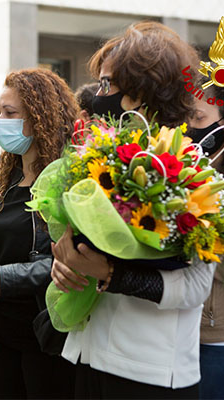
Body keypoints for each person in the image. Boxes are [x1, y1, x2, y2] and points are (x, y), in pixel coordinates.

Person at [51, 21, 215, 398]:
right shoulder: (100, 159)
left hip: (149, 370)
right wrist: (65, 257)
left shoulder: (192, 169)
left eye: (108, 84)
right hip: (88, 351)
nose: (99, 95)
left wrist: (111, 272)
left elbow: (195, 288)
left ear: (141, 92)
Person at [0, 68, 78, 399]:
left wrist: (7, 279)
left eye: (10, 113)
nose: (1, 120)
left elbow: (71, 258)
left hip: (44, 331)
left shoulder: (67, 179)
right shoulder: (6, 176)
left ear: (41, 117)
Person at [187, 83, 224, 399]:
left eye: (198, 119)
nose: (189, 128)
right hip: (188, 329)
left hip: (215, 336)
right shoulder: (195, 168)